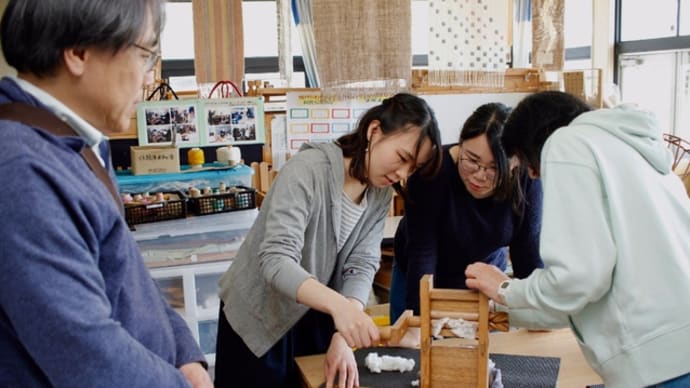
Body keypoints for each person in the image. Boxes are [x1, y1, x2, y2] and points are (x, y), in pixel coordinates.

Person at [0, 1, 213, 387]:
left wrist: (185, 354)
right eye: (145, 54)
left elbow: (125, 272)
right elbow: (84, 350)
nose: (149, 79)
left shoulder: (75, 140)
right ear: (79, 52)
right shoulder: (20, 168)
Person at [214, 93, 443, 388]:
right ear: (374, 131)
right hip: (259, 317)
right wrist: (341, 309)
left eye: (412, 169)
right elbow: (276, 260)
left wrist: (343, 332)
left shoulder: (379, 193)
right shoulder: (308, 170)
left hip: (312, 315)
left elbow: (362, 264)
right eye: (402, 158)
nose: (402, 174)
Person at [465, 91, 690, 388]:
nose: (533, 175)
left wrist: (505, 288)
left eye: (527, 161)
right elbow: (585, 296)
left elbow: (578, 278)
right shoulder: (632, 150)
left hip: (657, 365)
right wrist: (504, 308)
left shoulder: (566, 142)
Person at [390, 102, 544, 322]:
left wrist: (536, 309)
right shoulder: (431, 172)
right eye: (471, 160)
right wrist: (418, 318)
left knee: (483, 345)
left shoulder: (527, 179)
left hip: (482, 274)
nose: (480, 176)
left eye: (494, 168)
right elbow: (422, 252)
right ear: (461, 145)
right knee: (413, 343)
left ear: (515, 163)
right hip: (420, 271)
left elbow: (528, 252)